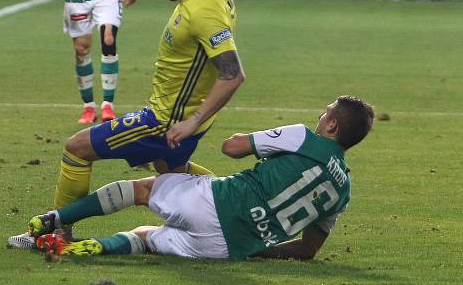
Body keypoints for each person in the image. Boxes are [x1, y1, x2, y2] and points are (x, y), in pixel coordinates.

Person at [9, 0, 245, 248]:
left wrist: (190, 121)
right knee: (172, 173)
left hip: (164, 122)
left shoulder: (203, 14)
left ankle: (59, 232)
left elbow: (232, 74)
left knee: (77, 148)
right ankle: (236, 202)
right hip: (186, 120)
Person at [27, 96, 374, 261]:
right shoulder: (343, 190)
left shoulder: (302, 136)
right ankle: (91, 247)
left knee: (144, 190)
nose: (319, 114)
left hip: (220, 202)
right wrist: (255, 251)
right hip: (229, 248)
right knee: (146, 237)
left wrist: (265, 146)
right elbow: (307, 250)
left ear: (332, 125)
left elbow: (232, 147)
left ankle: (52, 220)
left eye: (325, 112)